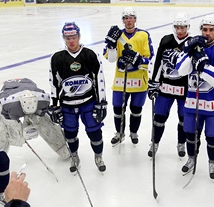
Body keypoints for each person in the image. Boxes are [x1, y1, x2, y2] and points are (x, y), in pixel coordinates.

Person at [163, 15, 214, 179]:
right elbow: (181, 70)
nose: (207, 33)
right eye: (204, 30)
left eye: (211, 30)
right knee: (191, 136)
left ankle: (212, 162)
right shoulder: (193, 47)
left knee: (213, 138)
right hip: (192, 103)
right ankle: (191, 158)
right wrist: (190, 52)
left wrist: (203, 64)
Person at [49, 22, 108, 172]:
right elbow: (54, 83)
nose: (71, 41)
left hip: (88, 102)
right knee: (70, 133)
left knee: (94, 131)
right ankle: (74, 156)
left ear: (79, 36)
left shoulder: (89, 55)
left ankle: (98, 156)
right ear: (64, 38)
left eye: (74, 37)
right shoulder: (57, 58)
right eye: (68, 38)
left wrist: (102, 102)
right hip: (67, 104)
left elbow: (99, 79)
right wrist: (55, 105)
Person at [103, 7, 154, 146]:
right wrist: (112, 46)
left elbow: (150, 60)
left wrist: (138, 60)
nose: (129, 20)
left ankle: (133, 131)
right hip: (121, 81)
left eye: (131, 17)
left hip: (139, 82)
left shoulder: (144, 35)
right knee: (118, 108)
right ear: (123, 20)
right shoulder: (117, 36)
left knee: (136, 109)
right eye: (126, 18)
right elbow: (111, 59)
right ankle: (119, 133)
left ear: (135, 19)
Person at [146, 12, 191, 159]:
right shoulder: (166, 40)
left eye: (183, 27)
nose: (180, 31)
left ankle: (181, 143)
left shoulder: (192, 43)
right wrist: (154, 83)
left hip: (184, 90)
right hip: (165, 88)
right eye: (177, 27)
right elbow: (158, 63)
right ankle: (155, 142)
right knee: (159, 117)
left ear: (188, 27)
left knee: (184, 119)